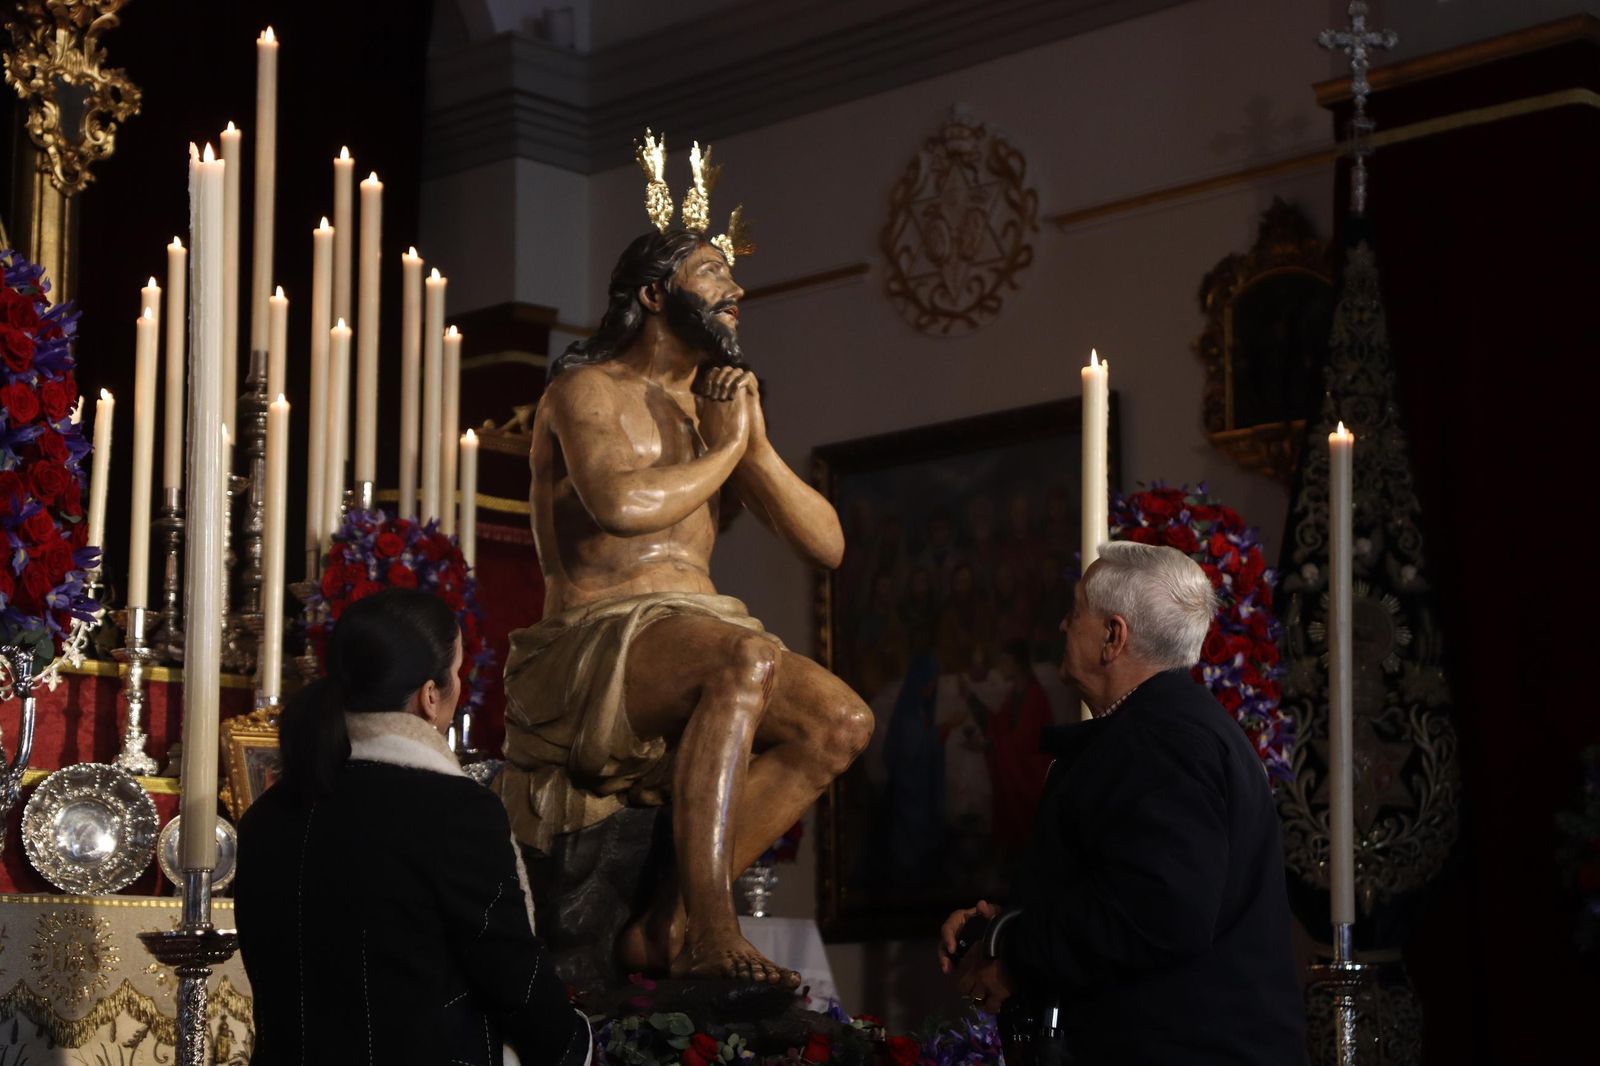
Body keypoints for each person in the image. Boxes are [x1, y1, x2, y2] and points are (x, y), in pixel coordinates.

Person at [502, 220, 871, 987]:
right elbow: (620, 506)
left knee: (841, 723)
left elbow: (828, 545)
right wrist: (727, 451)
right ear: (653, 294)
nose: (737, 290)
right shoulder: (585, 390)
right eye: (712, 273)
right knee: (745, 657)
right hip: (594, 639)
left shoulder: (717, 406)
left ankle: (665, 923)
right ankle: (714, 928)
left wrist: (753, 446)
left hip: (699, 629)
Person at [939, 542, 1305, 1064]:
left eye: (1075, 613)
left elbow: (1157, 914)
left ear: (1113, 636)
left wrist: (1015, 956)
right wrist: (1001, 927)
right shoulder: (1167, 727)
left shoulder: (1161, 742)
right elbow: (1126, 887)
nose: (1062, 626)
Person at [236, 588, 591, 1066]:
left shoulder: (266, 814)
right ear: (429, 696)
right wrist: (578, 1044)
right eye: (458, 672)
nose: (459, 686)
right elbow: (513, 978)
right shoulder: (456, 812)